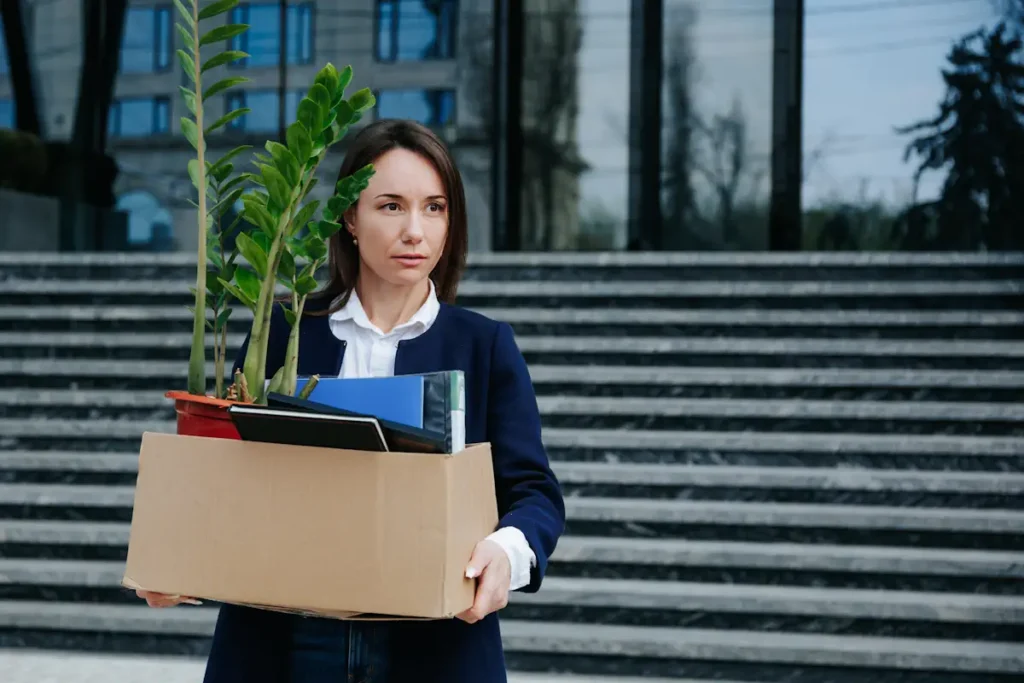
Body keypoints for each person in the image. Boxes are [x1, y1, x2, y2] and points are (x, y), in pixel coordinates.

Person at [136, 118, 566, 683]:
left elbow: (534, 493)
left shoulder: (485, 346)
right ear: (350, 218)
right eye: (391, 206)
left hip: (431, 644)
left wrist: (507, 552)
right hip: (287, 638)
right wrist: (179, 553)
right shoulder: (286, 334)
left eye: (434, 208)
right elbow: (228, 473)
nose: (416, 230)